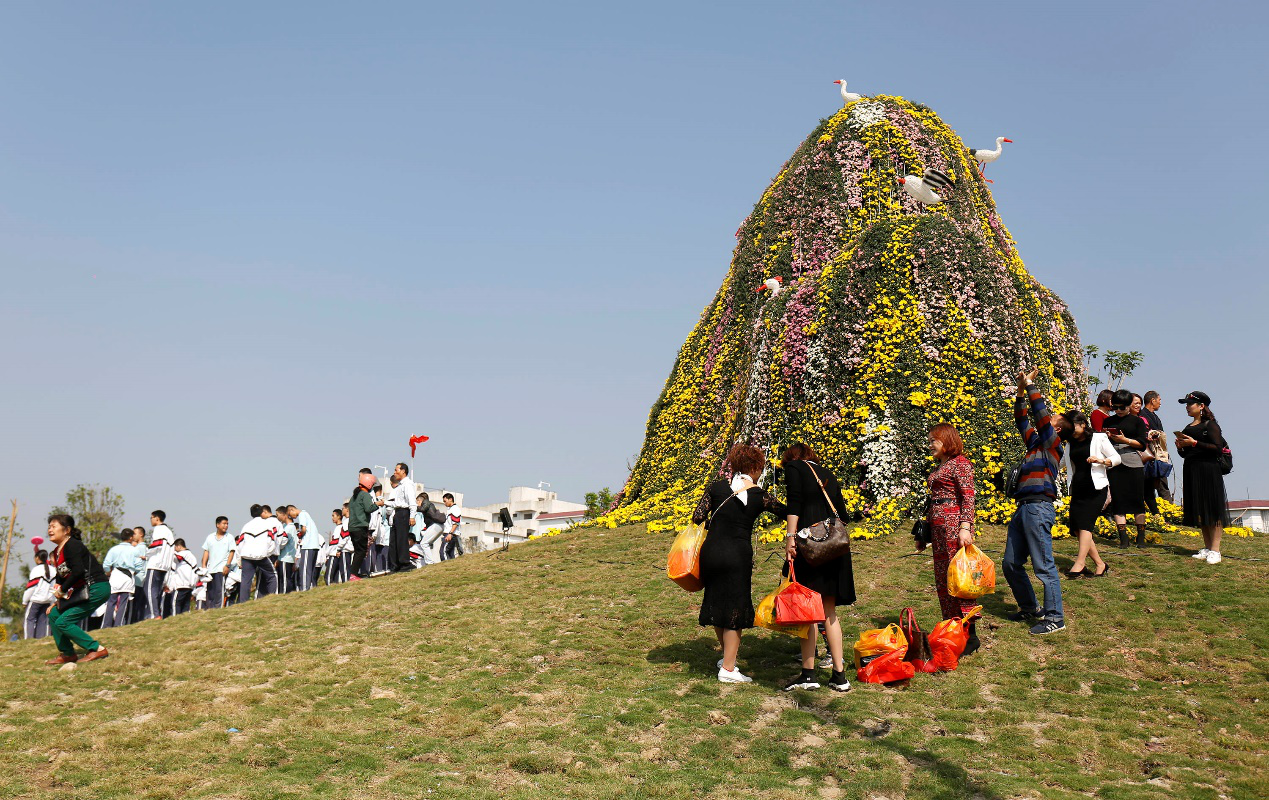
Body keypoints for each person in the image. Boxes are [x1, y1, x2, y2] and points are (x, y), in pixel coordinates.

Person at [689, 444, 787, 684]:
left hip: (711, 552)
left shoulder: (717, 487)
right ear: (754, 468)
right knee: (734, 609)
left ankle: (726, 658)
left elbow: (697, 516)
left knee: (716, 603)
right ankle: (729, 669)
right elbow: (787, 512)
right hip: (736, 555)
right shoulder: (758, 495)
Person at [781, 442, 856, 692]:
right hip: (833, 548)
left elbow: (794, 504)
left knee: (808, 612)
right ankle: (839, 676)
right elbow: (842, 512)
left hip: (810, 546)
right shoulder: (828, 474)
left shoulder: (794, 467)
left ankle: (809, 674)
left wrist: (791, 538)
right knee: (829, 613)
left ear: (792, 458)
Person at [1002, 368, 1070, 636]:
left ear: (1056, 428)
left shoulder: (1054, 444)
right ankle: (1031, 608)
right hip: (1023, 507)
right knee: (1010, 563)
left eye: (1053, 418)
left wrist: (1031, 385)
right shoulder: (1034, 445)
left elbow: (1039, 416)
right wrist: (1020, 390)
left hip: (1039, 507)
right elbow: (1022, 419)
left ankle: (1056, 618)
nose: (1048, 417)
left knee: (1044, 565)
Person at [919, 424, 982, 655]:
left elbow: (968, 498)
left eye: (933, 441)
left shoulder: (961, 464)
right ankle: (953, 630)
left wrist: (965, 526)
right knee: (943, 579)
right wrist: (925, 533)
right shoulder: (941, 465)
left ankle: (970, 635)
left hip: (954, 527)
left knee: (961, 579)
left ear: (945, 440)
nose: (930, 445)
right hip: (938, 529)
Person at [44, 514, 111, 665]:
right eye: (49, 526)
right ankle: (68, 654)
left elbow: (78, 572)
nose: (50, 529)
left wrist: (61, 591)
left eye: (54, 526)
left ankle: (96, 648)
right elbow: (61, 579)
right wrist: (57, 601)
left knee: (64, 622)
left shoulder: (72, 545)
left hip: (96, 587)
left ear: (66, 530)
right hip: (81, 591)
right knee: (54, 614)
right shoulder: (57, 552)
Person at [1060, 410, 1118, 578]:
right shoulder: (1069, 443)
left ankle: (1080, 563)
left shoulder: (1099, 438)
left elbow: (1116, 458)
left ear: (1083, 424)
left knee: (1085, 525)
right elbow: (1062, 463)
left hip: (1096, 488)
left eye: (1072, 426)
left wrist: (1101, 460)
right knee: (1078, 529)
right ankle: (1100, 564)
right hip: (1078, 487)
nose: (1070, 430)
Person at [1175, 391, 1229, 565]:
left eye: (1190, 404)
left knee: (1213, 509)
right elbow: (1185, 454)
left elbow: (1217, 448)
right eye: (1186, 404)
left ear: (1201, 406)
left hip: (1208, 469)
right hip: (1192, 468)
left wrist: (1195, 443)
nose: (1187, 407)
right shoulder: (1188, 428)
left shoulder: (1210, 425)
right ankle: (1207, 547)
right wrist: (1181, 447)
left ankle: (1216, 549)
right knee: (1201, 509)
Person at [1103, 389, 1150, 547]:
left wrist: (1125, 440)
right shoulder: (1108, 422)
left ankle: (1141, 536)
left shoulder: (1137, 421)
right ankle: (1123, 536)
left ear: (1129, 406)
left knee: (1137, 500)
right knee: (1118, 500)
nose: (1118, 411)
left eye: (1122, 407)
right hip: (1114, 461)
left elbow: (1142, 444)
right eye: (1115, 407)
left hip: (1132, 460)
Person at [235, 504, 278, 602]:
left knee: (246, 580)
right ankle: (273, 599)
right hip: (261, 556)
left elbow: (239, 544)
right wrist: (267, 553)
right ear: (261, 512)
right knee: (272, 576)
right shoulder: (267, 524)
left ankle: (243, 603)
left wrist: (239, 560)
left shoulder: (246, 526)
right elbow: (272, 542)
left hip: (246, 556)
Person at [101, 529, 142, 628]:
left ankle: (106, 625)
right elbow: (139, 567)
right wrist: (134, 572)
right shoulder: (135, 550)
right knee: (123, 602)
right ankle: (118, 624)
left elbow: (106, 565)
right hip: (127, 577)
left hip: (115, 575)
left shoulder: (114, 549)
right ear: (131, 537)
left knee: (111, 602)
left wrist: (109, 571)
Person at [1141, 391, 1173, 504]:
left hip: (1159, 455)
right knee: (1148, 485)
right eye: (1159, 400)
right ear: (1152, 400)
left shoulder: (1155, 417)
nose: (1160, 403)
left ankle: (1169, 511)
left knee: (1162, 484)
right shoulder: (1142, 415)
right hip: (1148, 455)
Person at [383, 463, 416, 572]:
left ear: (403, 471)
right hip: (397, 512)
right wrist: (384, 502)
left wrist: (412, 516)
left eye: (396, 470)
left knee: (402, 539)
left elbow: (411, 501)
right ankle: (395, 565)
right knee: (394, 541)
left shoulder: (408, 484)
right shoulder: (400, 486)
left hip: (403, 513)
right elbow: (396, 503)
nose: (394, 472)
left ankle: (404, 564)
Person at [144, 510, 176, 620]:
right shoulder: (168, 531)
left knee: (149, 589)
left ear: (157, 518)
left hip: (156, 564)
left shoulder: (159, 529)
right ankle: (156, 613)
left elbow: (157, 544)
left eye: (151, 517)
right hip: (164, 566)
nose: (151, 520)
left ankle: (154, 614)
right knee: (156, 590)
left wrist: (146, 554)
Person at [348, 469, 378, 579]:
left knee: (357, 551)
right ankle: (353, 574)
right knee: (361, 551)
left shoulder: (354, 496)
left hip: (352, 527)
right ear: (369, 483)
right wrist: (378, 504)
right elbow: (369, 508)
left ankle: (353, 573)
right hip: (361, 526)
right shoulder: (365, 495)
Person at [201, 516, 234, 610]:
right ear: (217, 525)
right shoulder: (210, 537)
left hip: (221, 568)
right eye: (224, 523)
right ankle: (210, 609)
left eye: (227, 523)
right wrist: (204, 566)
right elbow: (206, 551)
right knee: (210, 591)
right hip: (211, 569)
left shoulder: (229, 537)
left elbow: (232, 552)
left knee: (219, 591)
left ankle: (218, 609)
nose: (226, 526)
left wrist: (227, 565)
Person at [22, 549, 57, 639]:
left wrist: (24, 601)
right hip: (48, 600)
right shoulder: (53, 570)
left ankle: (28, 639)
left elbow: (31, 587)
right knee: (43, 620)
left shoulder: (36, 570)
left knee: (29, 619)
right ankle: (42, 639)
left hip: (36, 599)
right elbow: (55, 586)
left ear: (37, 558)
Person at [292, 506, 324, 590]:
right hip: (314, 546)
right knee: (310, 569)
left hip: (308, 545)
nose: (292, 517)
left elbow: (304, 529)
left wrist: (300, 534)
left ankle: (304, 588)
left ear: (292, 510)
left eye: (290, 514)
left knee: (305, 569)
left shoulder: (302, 514)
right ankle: (308, 587)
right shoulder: (307, 515)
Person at [165, 540, 198, 616]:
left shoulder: (183, 554)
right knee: (186, 607)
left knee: (175, 604)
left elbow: (173, 556)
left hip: (181, 585)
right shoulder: (192, 556)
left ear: (179, 546)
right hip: (189, 586)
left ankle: (174, 622)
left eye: (175, 548)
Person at [275, 504, 298, 593]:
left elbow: (282, 543)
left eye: (278, 515)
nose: (277, 517)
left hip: (286, 558)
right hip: (283, 557)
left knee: (285, 581)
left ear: (283, 515)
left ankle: (285, 597)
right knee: (283, 580)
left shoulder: (289, 528)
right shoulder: (286, 527)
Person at [128, 527, 149, 624]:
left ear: (141, 534)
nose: (133, 536)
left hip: (137, 579)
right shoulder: (146, 549)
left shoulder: (139, 548)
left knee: (134, 606)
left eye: (135, 533)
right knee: (140, 605)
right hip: (142, 580)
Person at [441, 493, 464, 560]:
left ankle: (444, 568)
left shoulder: (455, 509)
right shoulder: (451, 509)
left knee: (443, 552)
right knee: (450, 554)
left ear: (450, 499)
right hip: (451, 534)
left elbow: (456, 523)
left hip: (451, 534)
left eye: (445, 501)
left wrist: (450, 534)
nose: (444, 503)